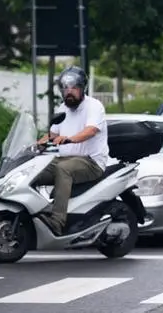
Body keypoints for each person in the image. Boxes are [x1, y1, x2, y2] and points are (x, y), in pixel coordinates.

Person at [34, 66, 109, 235]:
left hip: (91, 162)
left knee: (63, 169)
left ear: (83, 88)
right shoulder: (62, 109)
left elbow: (91, 130)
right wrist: (36, 145)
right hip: (64, 159)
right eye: (66, 88)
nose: (69, 92)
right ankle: (33, 216)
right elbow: (51, 136)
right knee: (33, 172)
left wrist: (69, 138)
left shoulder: (94, 106)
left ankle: (57, 222)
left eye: (74, 88)